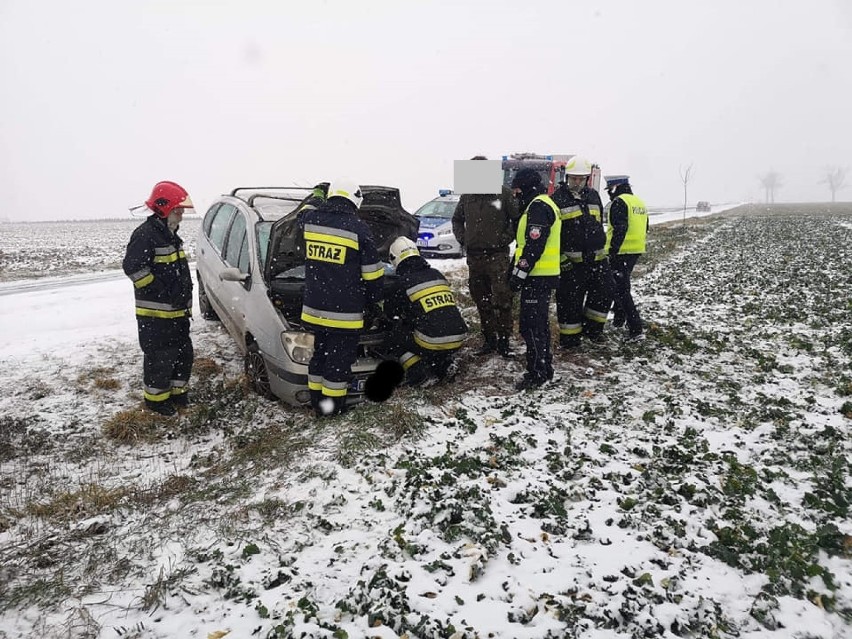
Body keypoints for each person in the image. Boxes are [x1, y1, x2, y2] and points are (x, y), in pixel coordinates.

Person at [300, 178, 384, 417]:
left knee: (319, 357)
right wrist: (375, 303)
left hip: (314, 309)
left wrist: (316, 196)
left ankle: (318, 403)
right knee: (337, 363)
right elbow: (372, 274)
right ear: (354, 200)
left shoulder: (310, 220)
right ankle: (331, 410)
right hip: (344, 314)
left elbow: (302, 213)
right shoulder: (358, 228)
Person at [123, 181, 195, 416]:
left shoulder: (169, 235)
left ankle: (178, 395)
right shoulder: (146, 235)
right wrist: (160, 291)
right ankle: (156, 401)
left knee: (182, 356)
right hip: (156, 316)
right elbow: (134, 269)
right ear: (165, 208)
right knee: (160, 360)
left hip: (176, 313)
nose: (182, 214)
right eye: (178, 209)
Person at [452, 156, 520, 358]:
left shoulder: (504, 194)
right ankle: (489, 340)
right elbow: (457, 219)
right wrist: (464, 239)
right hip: (475, 258)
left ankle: (504, 341)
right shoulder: (467, 196)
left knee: (502, 300)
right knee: (482, 300)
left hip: (497, 257)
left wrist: (504, 239)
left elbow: (516, 220)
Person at [382, 237, 468, 386]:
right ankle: (444, 366)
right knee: (432, 329)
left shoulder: (401, 283)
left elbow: (390, 314)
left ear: (394, 259)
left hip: (433, 340)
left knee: (394, 337)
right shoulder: (436, 274)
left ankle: (418, 373)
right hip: (458, 336)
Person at [551, 156, 614, 349]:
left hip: (597, 260)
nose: (576, 182)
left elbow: (597, 224)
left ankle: (593, 331)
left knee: (604, 293)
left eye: (581, 179)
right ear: (567, 177)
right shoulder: (557, 199)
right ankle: (570, 340)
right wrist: (561, 260)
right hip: (571, 264)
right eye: (573, 178)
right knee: (569, 302)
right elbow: (553, 235)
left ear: (587, 179)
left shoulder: (594, 196)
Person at [508, 168, 562, 390]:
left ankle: (538, 373)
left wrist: (518, 276)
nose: (515, 194)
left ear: (527, 187)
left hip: (537, 277)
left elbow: (533, 246)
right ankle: (543, 367)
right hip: (541, 276)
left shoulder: (538, 207)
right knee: (538, 325)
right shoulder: (542, 204)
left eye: (518, 189)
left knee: (531, 326)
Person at [604, 175, 649, 340]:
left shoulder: (619, 202)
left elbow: (620, 228)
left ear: (615, 187)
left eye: (609, 190)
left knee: (621, 290)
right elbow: (646, 226)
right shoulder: (638, 202)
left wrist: (613, 250)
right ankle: (618, 319)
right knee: (621, 286)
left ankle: (635, 328)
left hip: (621, 251)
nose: (609, 194)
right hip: (635, 250)